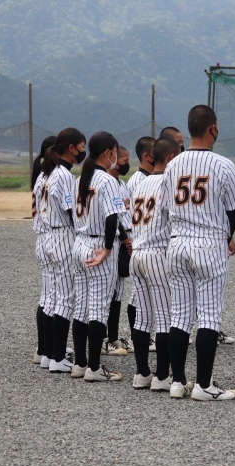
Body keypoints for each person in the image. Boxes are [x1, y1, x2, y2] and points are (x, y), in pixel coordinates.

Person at [165, 105, 235, 401]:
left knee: (179, 316)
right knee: (209, 316)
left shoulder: (173, 164)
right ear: (212, 128)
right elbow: (233, 210)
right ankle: (204, 385)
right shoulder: (223, 164)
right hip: (209, 243)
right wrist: (228, 236)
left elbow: (167, 207)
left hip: (178, 242)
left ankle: (177, 381)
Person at [70, 131, 128, 381]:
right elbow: (112, 217)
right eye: (114, 151)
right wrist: (107, 248)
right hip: (98, 247)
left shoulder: (80, 179)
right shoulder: (107, 180)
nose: (116, 156)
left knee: (81, 308)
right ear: (107, 153)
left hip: (80, 243)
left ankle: (80, 364)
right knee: (98, 309)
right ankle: (94, 368)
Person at [129, 137, 180, 391]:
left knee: (142, 317)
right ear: (170, 158)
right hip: (158, 253)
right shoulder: (168, 183)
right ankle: (161, 376)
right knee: (164, 317)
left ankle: (142, 373)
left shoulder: (141, 183)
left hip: (137, 253)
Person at [41, 128, 86, 373]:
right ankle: (58, 358)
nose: (83, 151)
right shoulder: (64, 175)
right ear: (71, 147)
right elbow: (71, 212)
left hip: (49, 235)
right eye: (81, 146)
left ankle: (49, 354)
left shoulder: (51, 173)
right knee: (65, 300)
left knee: (53, 299)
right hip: (63, 236)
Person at [125, 136, 156, 353]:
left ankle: (142, 337)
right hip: (139, 242)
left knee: (142, 296)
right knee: (137, 296)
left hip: (144, 242)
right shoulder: (137, 180)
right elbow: (130, 216)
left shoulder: (149, 178)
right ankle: (136, 338)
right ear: (147, 155)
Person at [103, 144, 134, 356]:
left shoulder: (122, 184)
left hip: (126, 239)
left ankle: (112, 337)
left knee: (118, 290)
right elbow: (113, 217)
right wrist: (125, 239)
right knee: (107, 292)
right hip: (115, 239)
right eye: (124, 160)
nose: (126, 164)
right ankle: (105, 338)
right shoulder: (106, 183)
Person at [31, 134, 57, 367]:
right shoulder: (49, 176)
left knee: (47, 297)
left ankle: (44, 349)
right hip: (51, 237)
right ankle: (49, 351)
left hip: (43, 238)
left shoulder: (41, 176)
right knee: (53, 299)